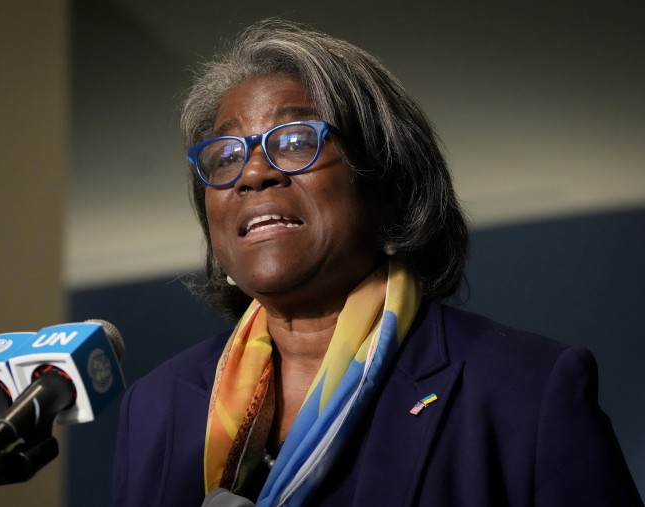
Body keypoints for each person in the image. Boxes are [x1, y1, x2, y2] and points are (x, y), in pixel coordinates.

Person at [112, 19, 642, 506]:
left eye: (295, 141)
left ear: (388, 182)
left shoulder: (525, 389)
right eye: (225, 156)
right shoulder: (156, 408)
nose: (253, 174)